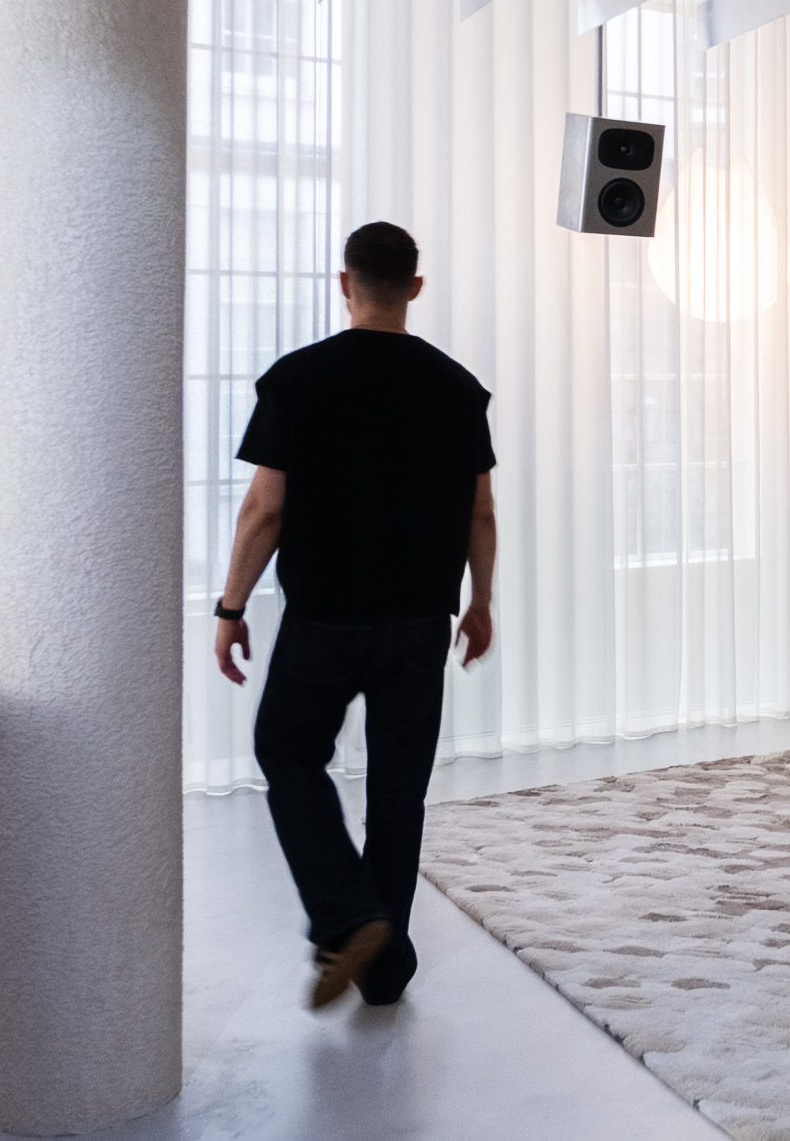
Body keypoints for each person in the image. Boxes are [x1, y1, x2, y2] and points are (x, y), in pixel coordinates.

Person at [213, 222, 497, 1010]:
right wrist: (480, 602)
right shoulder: (457, 386)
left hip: (326, 618)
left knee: (286, 749)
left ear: (346, 283)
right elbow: (481, 509)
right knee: (399, 791)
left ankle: (348, 914)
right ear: (415, 287)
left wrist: (230, 607)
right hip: (419, 620)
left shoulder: (298, 379)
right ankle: (384, 969)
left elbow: (264, 512)